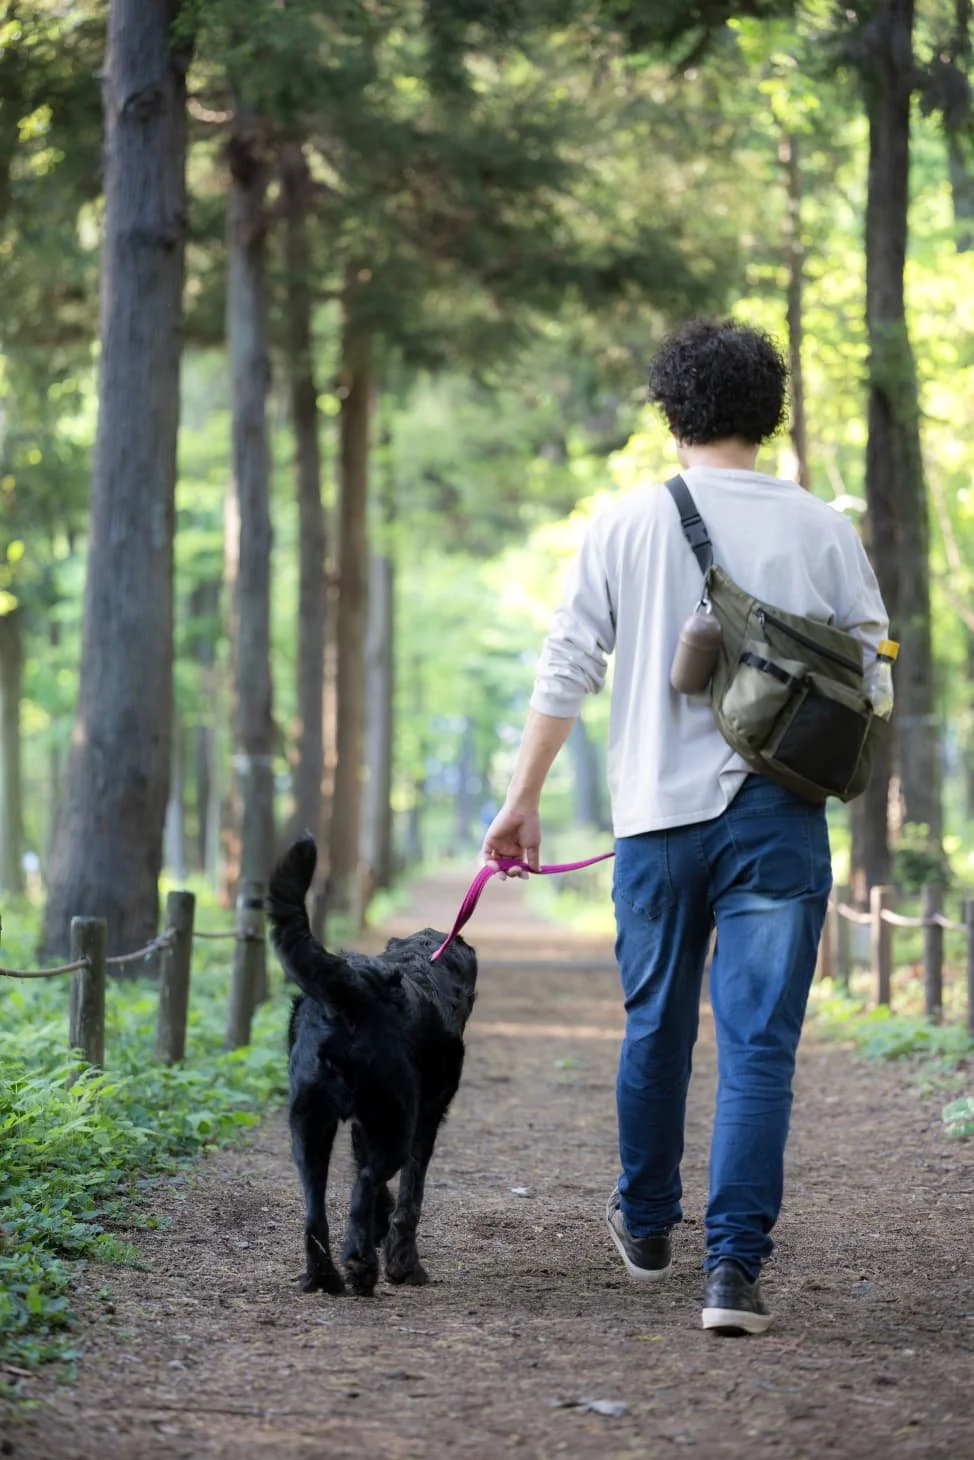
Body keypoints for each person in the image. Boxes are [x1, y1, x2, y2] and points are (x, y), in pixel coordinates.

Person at [480, 318, 889, 1335]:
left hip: (657, 825)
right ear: (769, 412)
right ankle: (732, 1274)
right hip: (779, 818)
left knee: (655, 1024)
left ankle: (648, 1221)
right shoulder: (821, 529)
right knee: (758, 1045)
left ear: (671, 412)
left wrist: (520, 798)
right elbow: (871, 676)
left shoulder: (624, 523)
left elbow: (566, 666)